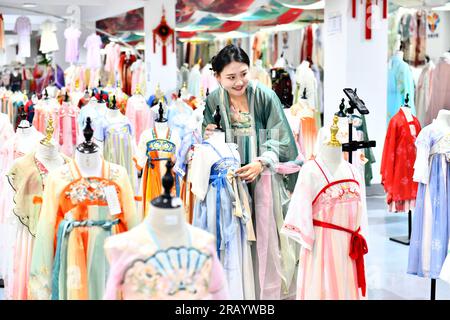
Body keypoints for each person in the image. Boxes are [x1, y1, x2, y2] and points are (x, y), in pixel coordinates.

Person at [202, 44, 300, 299]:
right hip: (229, 185)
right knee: (235, 241)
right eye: (231, 77)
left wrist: (261, 162)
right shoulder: (213, 100)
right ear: (217, 77)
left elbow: (283, 139)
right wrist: (208, 136)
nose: (239, 82)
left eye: (243, 74)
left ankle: (264, 296)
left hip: (263, 180)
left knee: (266, 239)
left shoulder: (266, 97)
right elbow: (204, 141)